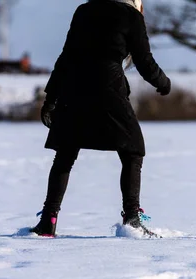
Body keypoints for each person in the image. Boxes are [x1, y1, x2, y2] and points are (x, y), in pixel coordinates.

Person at [31, 0, 171, 238]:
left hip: (74, 84)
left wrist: (51, 97)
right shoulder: (131, 16)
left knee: (65, 153)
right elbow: (144, 61)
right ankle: (132, 219)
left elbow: (66, 56)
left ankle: (48, 220)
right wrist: (163, 82)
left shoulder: (84, 11)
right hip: (108, 84)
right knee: (133, 150)